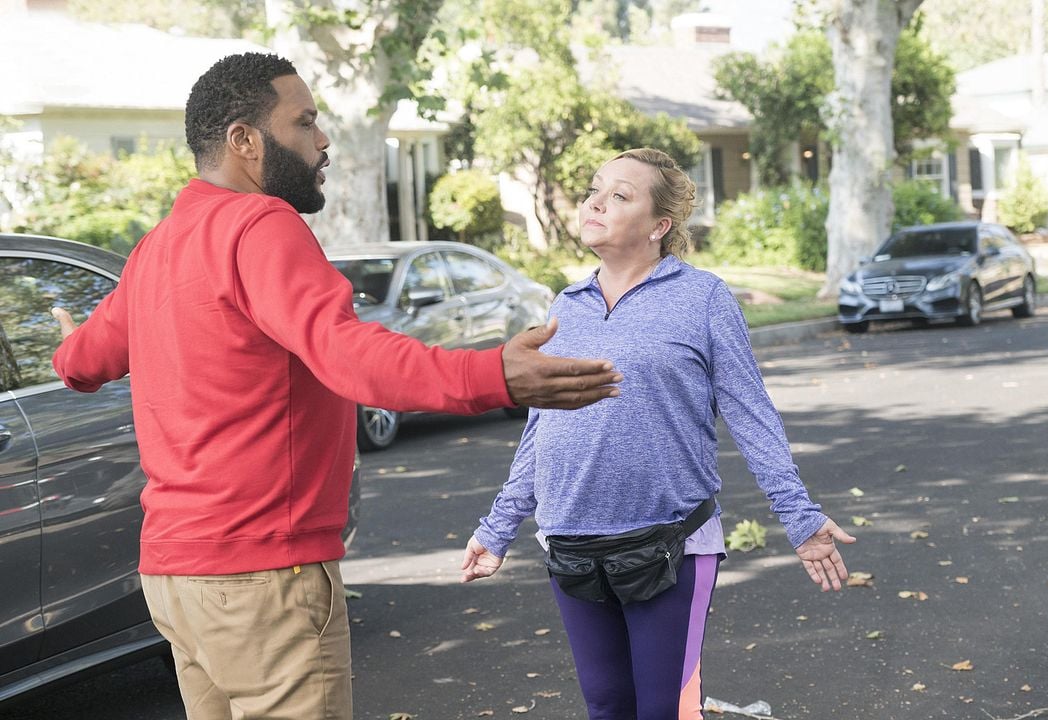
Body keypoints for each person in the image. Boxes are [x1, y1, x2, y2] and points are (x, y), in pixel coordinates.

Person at [50, 52, 621, 720]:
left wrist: (66, 344)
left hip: (176, 582)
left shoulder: (156, 248)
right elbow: (348, 354)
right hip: (264, 579)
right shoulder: (259, 226)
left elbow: (81, 362)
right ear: (244, 140)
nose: (323, 140)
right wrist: (494, 373)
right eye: (305, 122)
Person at [460, 147, 855, 720]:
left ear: (659, 225)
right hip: (570, 541)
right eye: (595, 189)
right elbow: (540, 429)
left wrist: (798, 516)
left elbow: (751, 413)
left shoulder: (702, 298)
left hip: (670, 543)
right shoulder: (564, 307)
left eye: (620, 195)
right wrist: (498, 526)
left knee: (662, 709)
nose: (596, 202)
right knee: (606, 704)